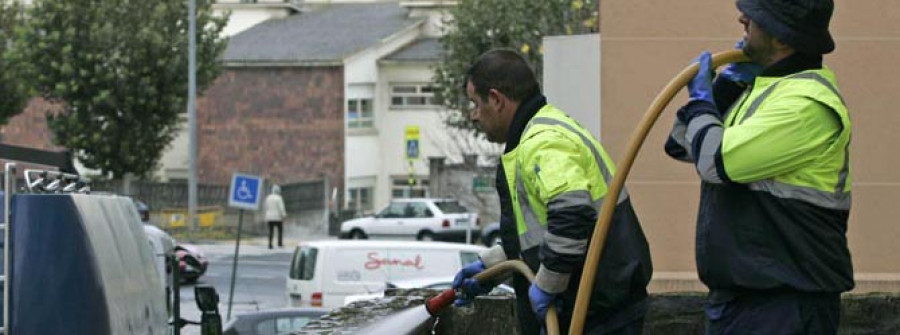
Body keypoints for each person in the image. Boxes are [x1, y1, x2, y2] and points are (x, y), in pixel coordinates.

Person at [664, 0, 853, 333]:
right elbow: (680, 145)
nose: (742, 18)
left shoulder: (804, 105)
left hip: (785, 305)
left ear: (781, 39)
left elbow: (713, 162)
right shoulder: (763, 91)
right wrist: (724, 88)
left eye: (754, 16)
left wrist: (701, 101)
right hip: (741, 302)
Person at [452, 49, 653, 334]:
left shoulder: (543, 142)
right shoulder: (542, 132)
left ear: (496, 100)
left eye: (475, 103)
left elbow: (571, 215)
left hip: (598, 315)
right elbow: (545, 231)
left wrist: (548, 284)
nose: (473, 115)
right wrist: (494, 266)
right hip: (601, 308)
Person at [264, 184, 287, 249]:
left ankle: (270, 244)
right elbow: (281, 208)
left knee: (271, 231)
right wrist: (284, 215)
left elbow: (266, 207)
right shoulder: (279, 198)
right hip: (277, 217)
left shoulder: (268, 197)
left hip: (269, 217)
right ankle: (279, 243)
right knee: (280, 230)